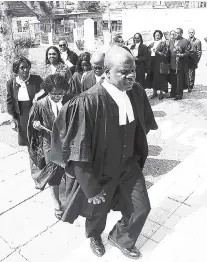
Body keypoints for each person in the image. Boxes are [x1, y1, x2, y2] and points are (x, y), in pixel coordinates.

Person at [50, 46, 158, 259]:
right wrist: (90, 187)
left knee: (141, 207)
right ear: (107, 72)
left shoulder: (135, 91)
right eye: (124, 71)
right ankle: (95, 236)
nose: (131, 76)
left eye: (133, 70)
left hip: (128, 165)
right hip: (100, 170)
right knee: (96, 212)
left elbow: (140, 126)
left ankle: (121, 236)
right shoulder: (88, 102)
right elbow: (76, 149)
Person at [27, 74, 74, 219]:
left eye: (60, 93)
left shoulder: (71, 100)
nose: (57, 96)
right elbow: (33, 125)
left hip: (69, 144)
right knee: (53, 175)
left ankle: (71, 198)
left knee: (71, 172)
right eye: (53, 94)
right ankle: (56, 202)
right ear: (47, 91)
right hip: (50, 145)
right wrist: (36, 125)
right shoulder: (39, 105)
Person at [6, 57, 43, 146]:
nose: (25, 70)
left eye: (27, 67)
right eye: (22, 68)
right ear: (16, 69)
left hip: (36, 113)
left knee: (38, 139)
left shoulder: (36, 79)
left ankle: (39, 158)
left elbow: (44, 91)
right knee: (27, 141)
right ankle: (32, 158)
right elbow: (10, 101)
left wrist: (38, 95)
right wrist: (13, 118)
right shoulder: (12, 83)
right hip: (22, 115)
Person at [168, 28, 192, 100]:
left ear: (181, 33)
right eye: (175, 32)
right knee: (173, 79)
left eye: (178, 33)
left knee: (179, 80)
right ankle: (172, 93)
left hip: (180, 64)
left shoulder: (185, 41)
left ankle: (179, 95)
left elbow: (189, 52)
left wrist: (181, 55)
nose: (175, 34)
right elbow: (169, 51)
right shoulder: (171, 41)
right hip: (172, 63)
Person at [147, 30, 169, 100]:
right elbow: (147, 53)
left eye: (158, 35)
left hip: (161, 62)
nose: (157, 36)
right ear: (154, 36)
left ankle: (161, 93)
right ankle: (154, 92)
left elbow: (165, 54)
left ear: (161, 36)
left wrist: (157, 52)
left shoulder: (163, 43)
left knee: (161, 77)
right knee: (153, 76)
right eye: (156, 35)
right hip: (153, 62)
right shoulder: (151, 44)